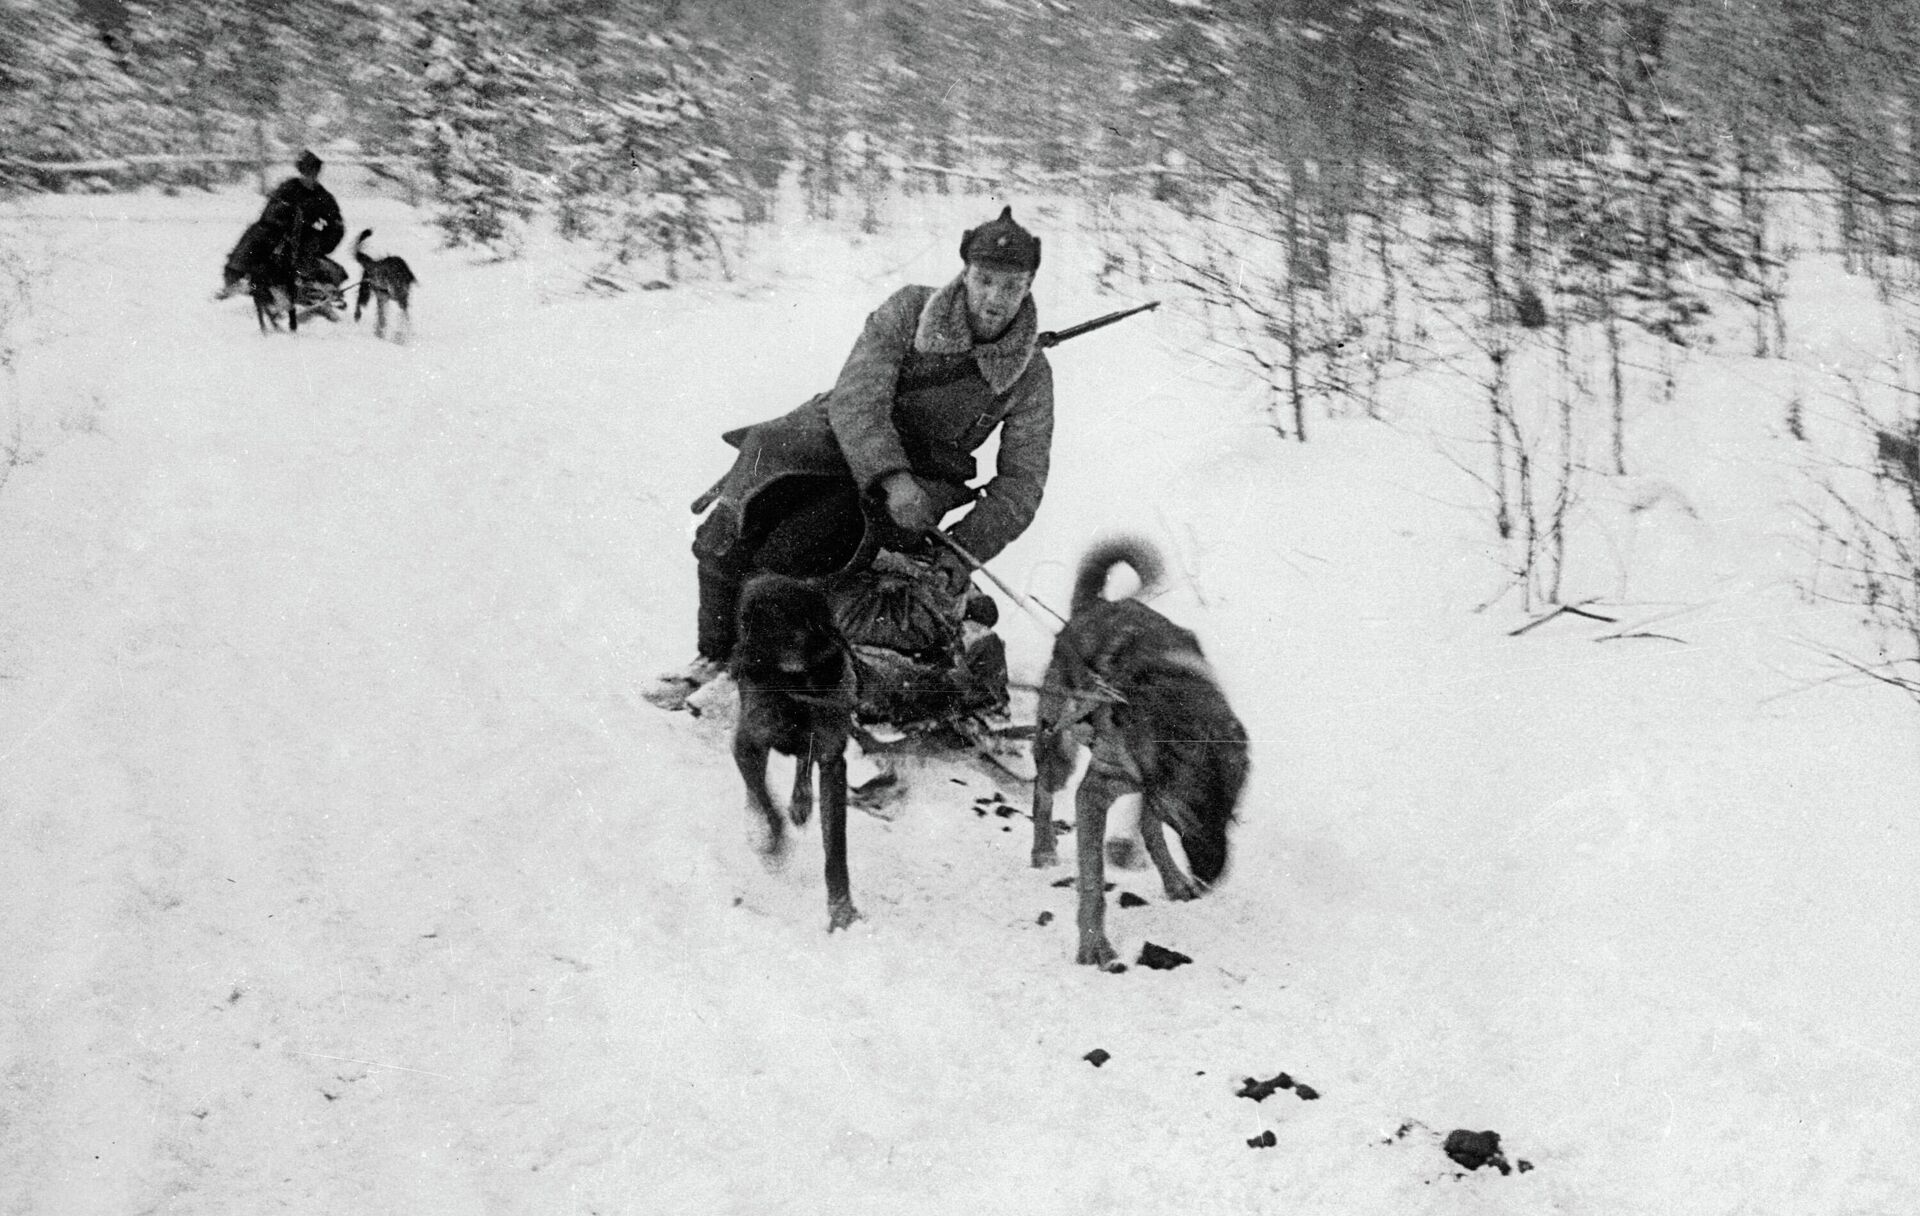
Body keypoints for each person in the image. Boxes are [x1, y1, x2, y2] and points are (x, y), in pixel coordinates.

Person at [646, 206, 1055, 710]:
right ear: (965, 273)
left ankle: (750, 666)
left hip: (919, 482)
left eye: (1011, 286)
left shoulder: (1031, 375)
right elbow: (859, 398)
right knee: (732, 526)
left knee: (800, 545)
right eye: (985, 280)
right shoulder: (909, 310)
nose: (994, 299)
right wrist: (892, 477)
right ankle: (711, 654)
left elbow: (1022, 482)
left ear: (1029, 286)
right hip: (836, 439)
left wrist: (962, 549)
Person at [220, 149, 345, 296]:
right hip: (278, 234)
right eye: (306, 172)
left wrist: (323, 243)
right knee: (255, 241)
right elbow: (270, 213)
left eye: (313, 172)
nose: (310, 176)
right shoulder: (288, 189)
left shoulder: (323, 198)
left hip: (304, 239)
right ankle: (238, 280)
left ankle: (306, 290)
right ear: (301, 171)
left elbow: (336, 224)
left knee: (307, 264)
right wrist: (282, 222)